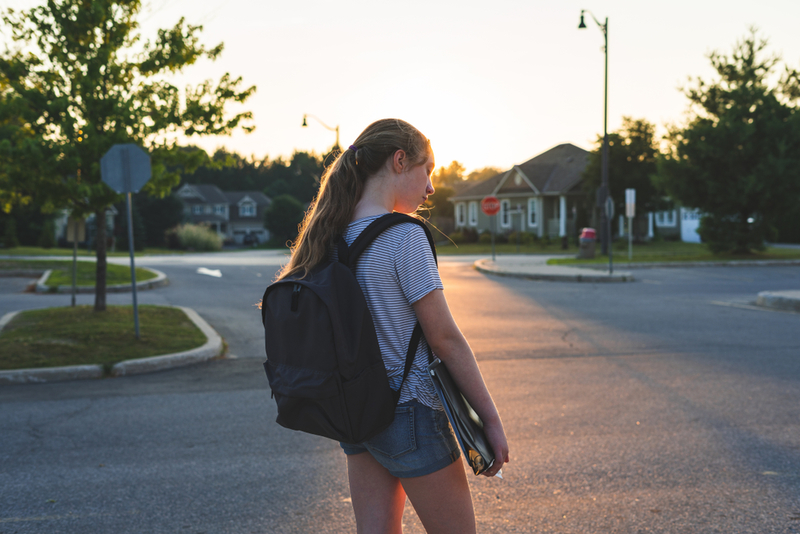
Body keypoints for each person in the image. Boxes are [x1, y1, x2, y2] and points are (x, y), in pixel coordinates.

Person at [277, 118, 509, 534]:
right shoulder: (405, 236)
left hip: (356, 413)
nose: (432, 187)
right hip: (410, 413)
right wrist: (488, 420)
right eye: (428, 170)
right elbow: (446, 340)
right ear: (400, 161)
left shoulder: (330, 235)